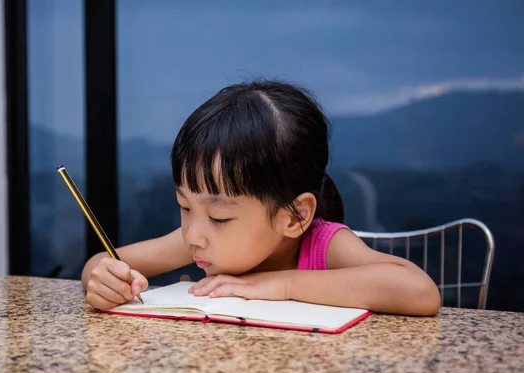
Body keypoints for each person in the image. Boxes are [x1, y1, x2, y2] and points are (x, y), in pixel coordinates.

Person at [81, 80, 441, 316]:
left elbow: (420, 292)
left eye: (220, 218)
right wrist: (104, 278)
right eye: (185, 207)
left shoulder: (323, 246)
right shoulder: (196, 242)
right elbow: (102, 261)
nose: (193, 234)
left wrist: (278, 285)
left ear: (295, 217)